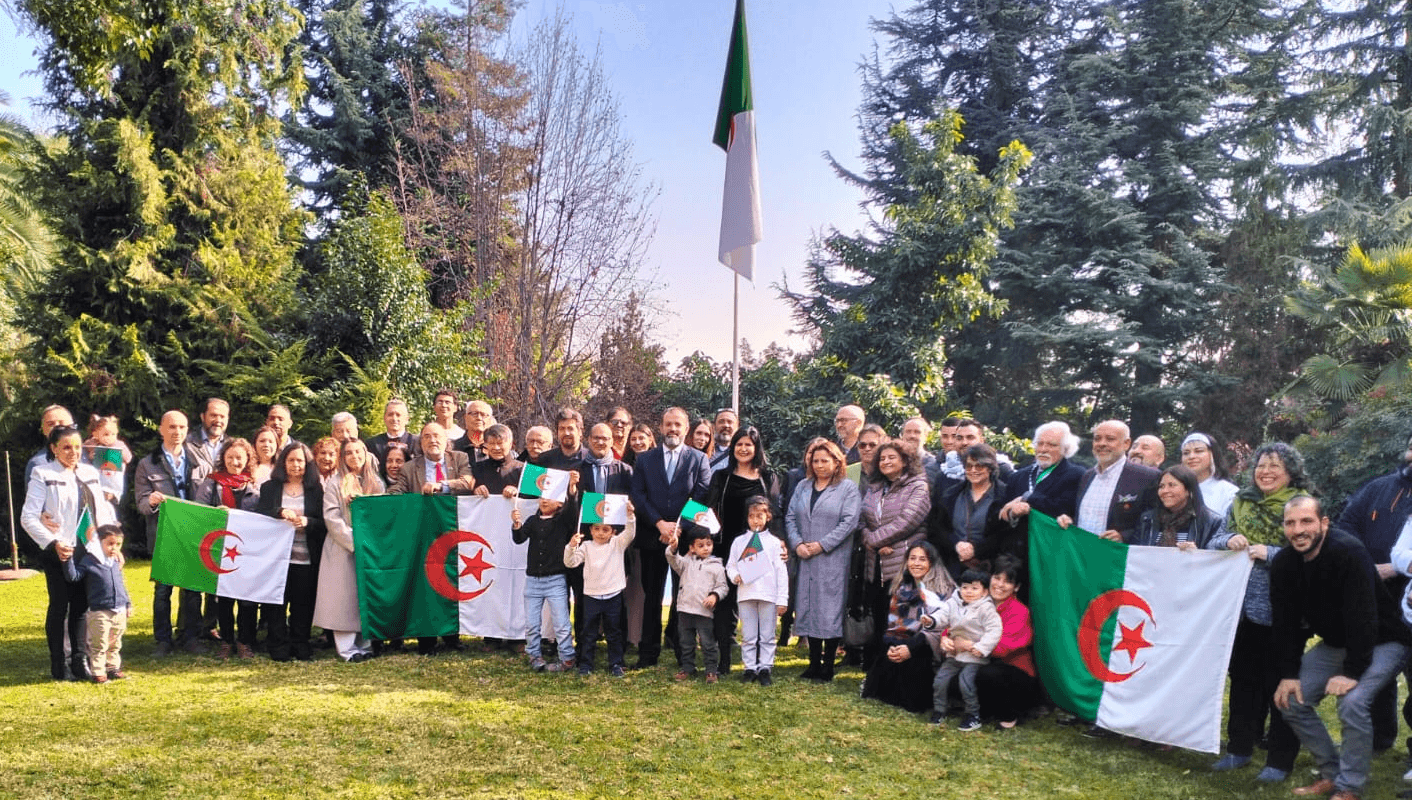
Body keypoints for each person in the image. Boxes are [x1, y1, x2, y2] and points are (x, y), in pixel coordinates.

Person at [1270, 496, 1410, 800]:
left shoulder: (1348, 552)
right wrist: (1288, 673)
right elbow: (1286, 624)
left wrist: (1352, 672)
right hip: (1338, 644)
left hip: (1384, 640)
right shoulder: (1283, 563)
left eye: (1306, 521)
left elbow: (1364, 617)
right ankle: (1332, 773)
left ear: (1324, 523)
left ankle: (1350, 788)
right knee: (1290, 700)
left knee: (1353, 702)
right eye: (1290, 523)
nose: (1298, 530)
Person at [1208, 442, 1311, 782]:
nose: (1265, 472)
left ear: (1290, 472)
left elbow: (1315, 552)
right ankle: (1238, 749)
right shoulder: (1240, 502)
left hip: (1287, 612)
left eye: (1274, 467)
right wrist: (1231, 538)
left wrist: (1274, 553)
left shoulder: (1303, 506)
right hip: (1239, 609)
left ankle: (1279, 762)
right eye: (1260, 466)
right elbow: (1215, 540)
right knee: (1243, 680)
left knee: (1282, 684)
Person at [21, 424, 116, 681]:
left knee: (82, 607)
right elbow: (28, 517)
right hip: (60, 549)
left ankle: (79, 660)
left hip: (89, 549)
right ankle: (59, 664)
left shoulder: (89, 472)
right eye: (66, 448)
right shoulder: (43, 473)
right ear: (53, 448)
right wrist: (53, 543)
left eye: (76, 447)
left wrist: (112, 544)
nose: (73, 452)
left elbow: (103, 510)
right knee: (60, 605)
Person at [1343, 432, 1412, 759]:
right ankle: (1380, 738)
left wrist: (1397, 568)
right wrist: (1366, 567)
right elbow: (1347, 525)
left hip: (1406, 592)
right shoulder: (1379, 487)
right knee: (1378, 670)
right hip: (1375, 596)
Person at [628, 407, 713, 669]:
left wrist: (677, 528)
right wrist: (659, 524)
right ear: (661, 427)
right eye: (668, 424)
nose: (673, 429)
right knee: (651, 597)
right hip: (653, 537)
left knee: (682, 598)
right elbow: (638, 495)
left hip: (684, 541)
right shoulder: (644, 460)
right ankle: (648, 654)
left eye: (678, 424)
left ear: (686, 429)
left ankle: (682, 653)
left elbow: (702, 496)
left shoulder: (698, 459)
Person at [702, 426, 781, 674]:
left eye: (749, 444)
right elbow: (706, 509)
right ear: (733, 448)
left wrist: (781, 543)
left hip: (759, 551)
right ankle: (724, 659)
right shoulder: (721, 478)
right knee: (724, 607)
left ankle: (760, 662)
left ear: (757, 448)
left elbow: (776, 514)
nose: (744, 449)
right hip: (728, 548)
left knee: (757, 605)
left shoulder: (768, 478)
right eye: (739, 444)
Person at [787, 438, 862, 682]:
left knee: (829, 611)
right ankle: (813, 663)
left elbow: (849, 522)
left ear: (837, 461)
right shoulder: (802, 486)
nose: (819, 465)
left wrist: (822, 544)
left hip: (832, 557)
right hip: (805, 557)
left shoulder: (847, 488)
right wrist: (797, 544)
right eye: (815, 460)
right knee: (807, 609)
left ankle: (827, 665)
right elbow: (789, 517)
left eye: (824, 460)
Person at [135, 409, 209, 656]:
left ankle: (190, 637)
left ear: (188, 430)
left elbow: (208, 497)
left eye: (182, 427)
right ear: (161, 429)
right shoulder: (147, 464)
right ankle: (163, 640)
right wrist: (153, 501)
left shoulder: (200, 461)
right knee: (163, 591)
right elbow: (142, 504)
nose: (177, 432)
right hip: (163, 535)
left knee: (192, 590)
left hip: (192, 534)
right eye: (172, 427)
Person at [860, 441, 932, 666]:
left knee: (900, 617)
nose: (886, 462)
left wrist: (874, 539)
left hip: (903, 560)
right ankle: (877, 664)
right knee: (879, 612)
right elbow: (862, 519)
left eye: (892, 457)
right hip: (876, 562)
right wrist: (873, 542)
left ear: (905, 460)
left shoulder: (918, 486)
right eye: (882, 458)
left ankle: (895, 664)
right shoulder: (874, 487)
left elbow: (908, 521)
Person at [858, 542, 953, 712]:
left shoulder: (945, 590)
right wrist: (892, 647)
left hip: (928, 646)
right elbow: (894, 624)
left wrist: (910, 648)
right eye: (912, 558)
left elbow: (941, 628)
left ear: (932, 562)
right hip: (903, 641)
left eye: (922, 559)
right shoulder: (902, 587)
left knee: (911, 683)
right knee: (883, 667)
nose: (916, 563)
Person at [257, 442, 326, 662]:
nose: (296, 465)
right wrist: (279, 511)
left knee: (302, 603)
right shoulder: (270, 488)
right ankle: (277, 644)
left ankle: (300, 642)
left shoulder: (316, 490)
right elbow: (261, 515)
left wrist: (308, 521)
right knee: (277, 603)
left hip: (306, 556)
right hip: (277, 559)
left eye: (300, 461)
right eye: (291, 460)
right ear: (283, 463)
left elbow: (325, 523)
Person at [193, 438, 261, 659]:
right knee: (224, 599)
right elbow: (199, 512)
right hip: (220, 549)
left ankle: (245, 641)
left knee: (248, 600)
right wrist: (216, 513)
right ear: (223, 458)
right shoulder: (212, 483)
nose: (235, 461)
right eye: (230, 457)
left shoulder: (254, 485)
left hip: (246, 550)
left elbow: (263, 518)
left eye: (239, 457)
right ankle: (226, 641)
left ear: (248, 459)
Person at [317, 438, 384, 663]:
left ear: (365, 453)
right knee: (343, 598)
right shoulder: (335, 483)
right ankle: (346, 649)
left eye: (358, 452)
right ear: (342, 457)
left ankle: (365, 645)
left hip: (370, 549)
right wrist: (354, 541)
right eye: (349, 453)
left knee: (364, 596)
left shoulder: (376, 482)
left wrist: (372, 543)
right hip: (343, 547)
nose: (354, 456)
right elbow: (332, 517)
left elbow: (381, 515)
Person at [563, 508, 637, 678]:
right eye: (596, 529)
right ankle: (586, 664)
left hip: (613, 595)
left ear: (613, 532)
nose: (601, 533)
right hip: (591, 596)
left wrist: (630, 515)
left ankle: (616, 664)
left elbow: (630, 533)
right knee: (588, 632)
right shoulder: (586, 546)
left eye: (605, 530)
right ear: (590, 531)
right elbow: (570, 563)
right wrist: (571, 546)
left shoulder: (617, 544)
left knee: (614, 632)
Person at [1057, 420, 1160, 542]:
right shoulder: (1086, 476)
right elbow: (1079, 514)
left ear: (1126, 444)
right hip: (1081, 553)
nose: (1102, 444)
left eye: (1110, 439)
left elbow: (1156, 520)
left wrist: (1124, 536)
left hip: (1118, 555)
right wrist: (1068, 519)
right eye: (1097, 439)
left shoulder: (1147, 477)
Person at [927, 566, 1002, 732]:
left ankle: (972, 714)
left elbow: (995, 630)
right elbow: (942, 615)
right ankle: (939, 710)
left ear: (984, 592)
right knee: (940, 680)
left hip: (974, 656)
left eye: (975, 588)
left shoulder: (987, 608)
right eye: (965, 587)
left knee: (966, 682)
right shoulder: (953, 602)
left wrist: (982, 648)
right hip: (955, 654)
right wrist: (931, 620)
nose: (968, 591)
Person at [725, 495, 789, 686]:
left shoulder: (775, 543)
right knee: (749, 634)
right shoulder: (739, 542)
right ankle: (749, 667)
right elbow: (731, 565)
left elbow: (781, 571)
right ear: (747, 518)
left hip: (768, 595)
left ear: (768, 516)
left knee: (768, 634)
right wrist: (734, 576)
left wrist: (782, 599)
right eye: (752, 516)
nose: (755, 520)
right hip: (746, 594)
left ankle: (765, 667)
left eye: (759, 515)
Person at [512, 496, 577, 673]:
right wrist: (516, 525)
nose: (544, 501)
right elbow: (519, 539)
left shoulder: (563, 520)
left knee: (561, 623)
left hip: (556, 579)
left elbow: (572, 509)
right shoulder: (532, 520)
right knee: (532, 623)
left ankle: (567, 657)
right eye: (542, 497)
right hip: (532, 580)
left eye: (550, 498)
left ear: (560, 504)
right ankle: (534, 654)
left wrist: (571, 489)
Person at [974, 556, 1040, 729]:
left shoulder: (1020, 612)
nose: (1000, 585)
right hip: (982, 660)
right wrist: (947, 637)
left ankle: (1009, 716)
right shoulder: (979, 601)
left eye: (1008, 581)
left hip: (1015, 674)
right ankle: (985, 710)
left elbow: (1002, 649)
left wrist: (968, 643)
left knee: (988, 673)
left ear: (1016, 587)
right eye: (997, 578)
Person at [932, 444, 1014, 579]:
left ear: (990, 468)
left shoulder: (1004, 495)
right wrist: (956, 545)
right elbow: (937, 527)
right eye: (969, 466)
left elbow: (1006, 534)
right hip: (953, 567)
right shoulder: (951, 495)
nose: (973, 470)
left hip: (991, 569)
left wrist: (975, 549)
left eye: (979, 466)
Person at [62, 524, 131, 683]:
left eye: (118, 544)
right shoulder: (90, 561)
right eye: (110, 543)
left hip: (119, 609)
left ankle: (112, 668)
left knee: (115, 643)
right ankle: (98, 672)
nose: (114, 548)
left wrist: (127, 603)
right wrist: (68, 560)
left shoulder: (114, 562)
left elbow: (120, 584)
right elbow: (74, 576)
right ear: (99, 542)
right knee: (99, 644)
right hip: (99, 611)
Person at [666, 528, 730, 684]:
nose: (706, 548)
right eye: (701, 545)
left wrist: (714, 596)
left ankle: (711, 671)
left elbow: (723, 587)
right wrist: (673, 548)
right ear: (692, 548)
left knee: (708, 643)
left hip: (704, 612)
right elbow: (673, 560)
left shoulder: (717, 566)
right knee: (686, 642)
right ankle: (688, 668)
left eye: (708, 544)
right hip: (685, 610)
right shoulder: (686, 563)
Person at [999, 421, 1085, 526]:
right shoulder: (1017, 476)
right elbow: (1002, 513)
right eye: (1040, 443)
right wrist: (1012, 514)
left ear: (1065, 449)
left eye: (1052, 445)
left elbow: (1062, 509)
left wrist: (1027, 498)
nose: (1043, 449)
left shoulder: (1077, 475)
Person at [1132, 465, 1226, 549]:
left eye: (1172, 485)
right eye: (1161, 486)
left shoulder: (1211, 521)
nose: (1165, 491)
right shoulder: (1147, 520)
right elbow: (1135, 555)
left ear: (1188, 490)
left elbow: (1217, 559)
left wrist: (1198, 553)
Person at [389, 423, 474, 497]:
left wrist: (442, 486)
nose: (432, 441)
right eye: (427, 437)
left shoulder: (459, 458)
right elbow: (395, 492)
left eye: (436, 436)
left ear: (446, 440)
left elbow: (468, 482)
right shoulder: (409, 468)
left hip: (453, 513)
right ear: (421, 443)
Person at [1180, 431, 1239, 517]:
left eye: (1198, 451)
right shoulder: (1173, 490)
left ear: (1212, 455)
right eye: (1186, 453)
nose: (1191, 456)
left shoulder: (1229, 492)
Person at [366, 398, 420, 484]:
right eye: (390, 414)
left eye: (398, 415)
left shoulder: (417, 442)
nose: (394, 418)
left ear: (406, 419)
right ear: (384, 418)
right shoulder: (372, 444)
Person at [26, 405, 75, 485]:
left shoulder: (87, 454)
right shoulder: (38, 464)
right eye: (51, 424)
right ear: (43, 429)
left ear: (72, 426)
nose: (56, 427)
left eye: (62, 423)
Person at [471, 424, 524, 497]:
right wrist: (475, 490)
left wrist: (517, 490)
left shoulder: (525, 469)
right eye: (492, 443)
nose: (496, 448)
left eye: (500, 443)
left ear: (511, 444)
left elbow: (537, 500)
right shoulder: (476, 469)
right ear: (486, 445)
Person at [185, 398, 230, 477]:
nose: (218, 420)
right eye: (213, 415)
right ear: (203, 417)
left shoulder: (233, 446)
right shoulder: (186, 444)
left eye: (222, 417)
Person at [900, 416, 940, 482]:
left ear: (926, 436)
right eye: (908, 431)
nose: (912, 436)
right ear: (902, 435)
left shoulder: (934, 465)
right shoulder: (894, 462)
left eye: (917, 432)